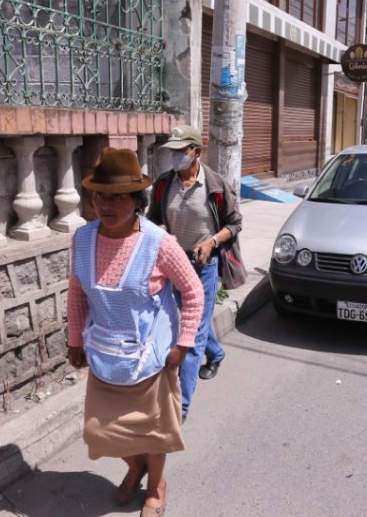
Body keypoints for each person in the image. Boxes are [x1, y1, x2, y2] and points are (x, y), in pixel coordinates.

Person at [67, 147, 204, 517]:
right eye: (99, 196)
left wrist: (184, 343)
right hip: (105, 353)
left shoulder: (159, 243)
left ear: (136, 200)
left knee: (152, 431)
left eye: (117, 197)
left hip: (151, 357)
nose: (105, 205)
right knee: (100, 431)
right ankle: (136, 466)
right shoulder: (82, 239)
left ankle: (156, 486)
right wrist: (75, 339)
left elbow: (194, 291)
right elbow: (77, 293)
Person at [148, 125, 244, 421]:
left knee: (190, 335)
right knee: (195, 324)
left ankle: (181, 407)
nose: (175, 156)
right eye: (172, 151)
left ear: (196, 152)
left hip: (203, 268)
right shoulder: (164, 184)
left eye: (181, 151)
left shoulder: (215, 185)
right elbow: (153, 219)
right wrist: (161, 230)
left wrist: (212, 241)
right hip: (174, 266)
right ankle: (216, 353)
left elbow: (234, 223)